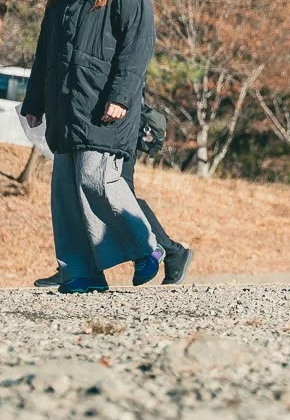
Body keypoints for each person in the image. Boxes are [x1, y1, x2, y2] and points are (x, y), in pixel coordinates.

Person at [19, 0, 162, 294]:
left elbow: (137, 51)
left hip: (105, 108)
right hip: (65, 107)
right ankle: (81, 273)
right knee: (66, 193)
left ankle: (146, 246)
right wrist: (34, 101)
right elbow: (45, 53)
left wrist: (121, 97)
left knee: (94, 178)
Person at [32, 104, 192, 288]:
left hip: (115, 128)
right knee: (89, 192)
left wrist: (119, 101)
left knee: (115, 194)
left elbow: (129, 88)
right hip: (90, 124)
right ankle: (79, 267)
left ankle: (167, 251)